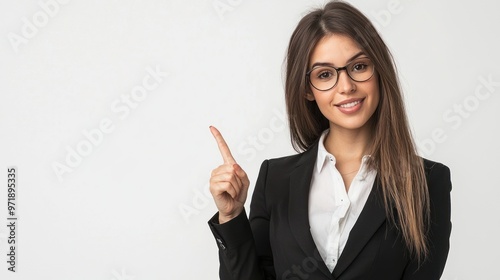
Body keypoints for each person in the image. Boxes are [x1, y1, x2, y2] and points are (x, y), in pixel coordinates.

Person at [207, 1, 452, 279]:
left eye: (359, 66)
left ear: (380, 72)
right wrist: (231, 217)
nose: (346, 86)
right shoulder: (275, 179)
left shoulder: (427, 182)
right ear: (307, 90)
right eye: (325, 74)